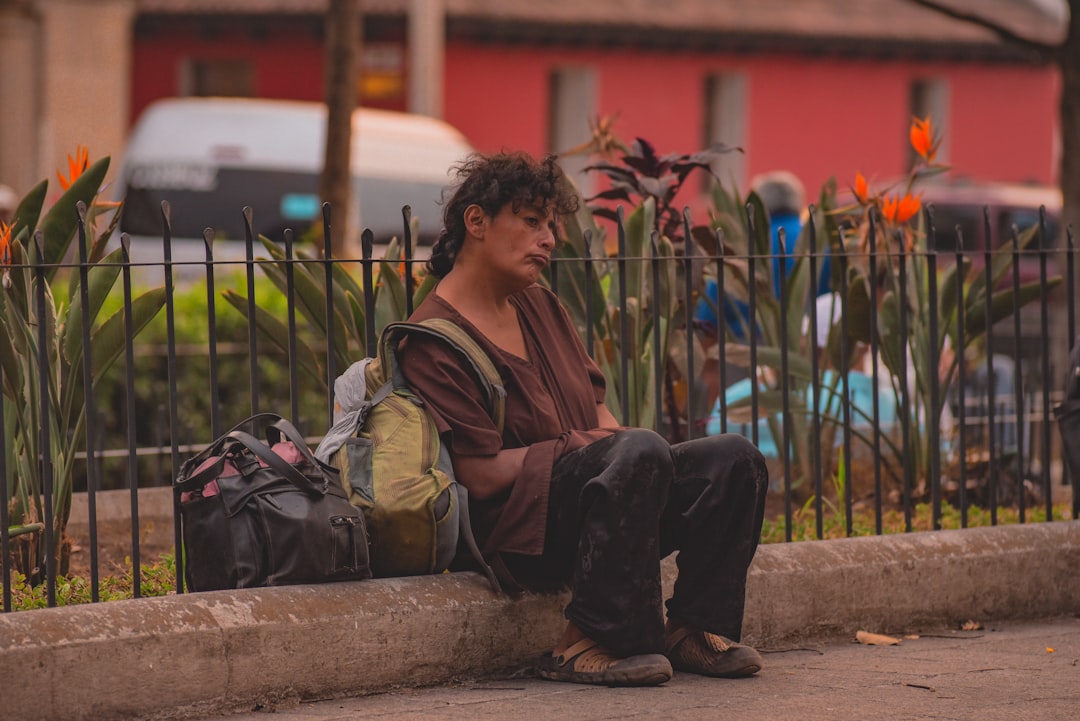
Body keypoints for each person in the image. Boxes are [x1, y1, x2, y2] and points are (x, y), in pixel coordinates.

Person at [397, 151, 769, 688]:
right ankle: (587, 641)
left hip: (603, 507)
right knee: (633, 450)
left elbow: (600, 412)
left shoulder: (541, 306)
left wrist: (622, 455)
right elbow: (478, 476)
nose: (549, 239)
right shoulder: (433, 339)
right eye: (531, 223)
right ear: (475, 222)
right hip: (520, 533)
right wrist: (593, 449)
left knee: (733, 459)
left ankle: (692, 627)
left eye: (551, 226)